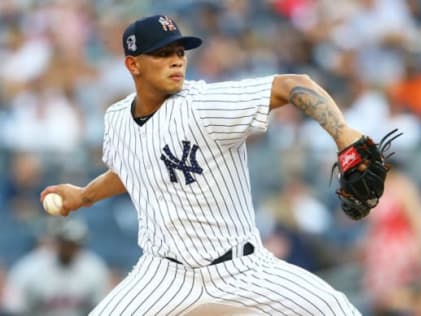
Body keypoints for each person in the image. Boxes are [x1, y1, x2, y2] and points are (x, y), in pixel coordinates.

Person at [40, 14, 366, 315]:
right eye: (162, 53)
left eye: (180, 52)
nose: (176, 61)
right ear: (133, 64)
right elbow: (132, 170)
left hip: (242, 267)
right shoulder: (117, 120)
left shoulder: (204, 106)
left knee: (338, 310)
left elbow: (292, 85)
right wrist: (83, 196)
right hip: (163, 273)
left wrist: (343, 135)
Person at [2, 219, 110, 316]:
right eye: (65, 243)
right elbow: (14, 307)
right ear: (56, 242)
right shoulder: (29, 268)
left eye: (73, 244)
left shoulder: (93, 268)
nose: (68, 248)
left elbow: (105, 307)